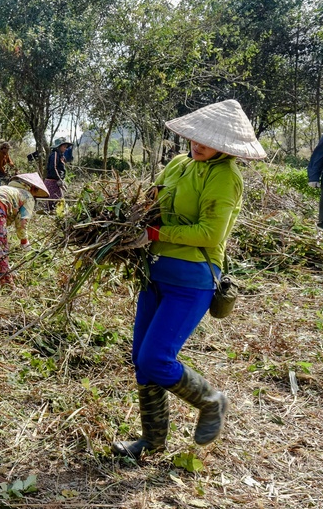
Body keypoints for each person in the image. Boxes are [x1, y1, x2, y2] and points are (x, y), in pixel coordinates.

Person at [112, 99, 266, 461]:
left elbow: (211, 234)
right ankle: (152, 442)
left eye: (208, 141)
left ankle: (212, 401)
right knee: (141, 359)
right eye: (196, 137)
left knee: (156, 359)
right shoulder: (179, 164)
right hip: (155, 273)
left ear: (226, 146)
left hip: (192, 278)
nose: (198, 145)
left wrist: (155, 232)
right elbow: (152, 202)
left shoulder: (226, 176)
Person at [0, 173, 49, 287]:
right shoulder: (27, 196)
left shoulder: (7, 189)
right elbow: (22, 223)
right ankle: (7, 285)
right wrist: (24, 242)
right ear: (33, 188)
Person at [44, 139, 70, 211]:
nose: (65, 148)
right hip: (52, 182)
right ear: (59, 146)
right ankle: (50, 216)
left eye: (66, 147)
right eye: (64, 147)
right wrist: (59, 179)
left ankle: (54, 216)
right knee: (54, 201)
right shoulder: (55, 154)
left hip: (56, 181)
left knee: (58, 201)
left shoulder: (61, 156)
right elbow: (53, 167)